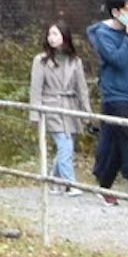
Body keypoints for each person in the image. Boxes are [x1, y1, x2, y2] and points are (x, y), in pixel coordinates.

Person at [87, 0, 128, 199]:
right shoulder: (103, 34)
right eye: (127, 10)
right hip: (116, 95)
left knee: (116, 142)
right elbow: (117, 60)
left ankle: (104, 185)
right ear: (116, 12)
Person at [28, 22, 90, 190]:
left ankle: (53, 181)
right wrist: (35, 114)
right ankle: (71, 184)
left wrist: (87, 113)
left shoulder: (75, 61)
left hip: (70, 108)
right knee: (65, 144)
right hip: (51, 107)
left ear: (65, 37)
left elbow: (82, 88)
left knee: (66, 145)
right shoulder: (40, 61)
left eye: (55, 34)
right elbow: (36, 89)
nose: (52, 38)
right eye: (50, 34)